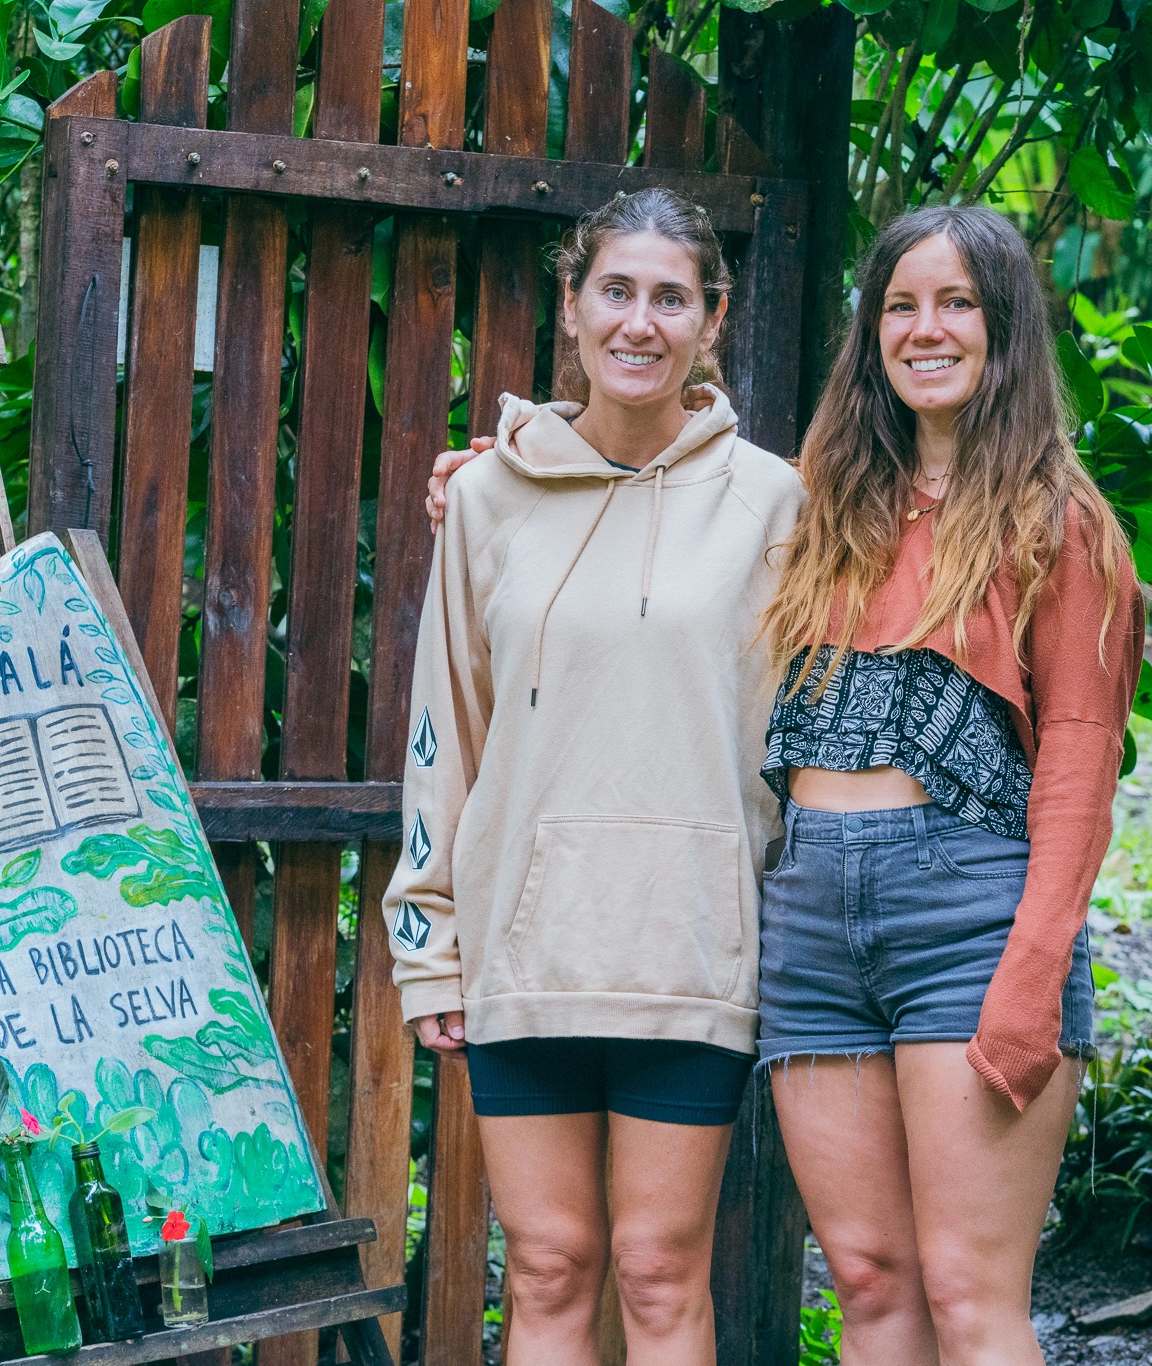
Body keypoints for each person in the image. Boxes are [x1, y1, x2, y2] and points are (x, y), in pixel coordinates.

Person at [385, 187, 804, 1366]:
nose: (640, 321)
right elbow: (444, 726)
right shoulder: (481, 496)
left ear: (709, 319)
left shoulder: (773, 500)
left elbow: (789, 738)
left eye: (671, 297)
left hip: (688, 948)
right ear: (569, 308)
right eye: (614, 291)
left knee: (663, 1274)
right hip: (527, 947)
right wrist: (429, 944)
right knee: (552, 1266)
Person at [755, 204, 1142, 1366]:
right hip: (810, 917)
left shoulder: (1060, 522)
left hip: (964, 914)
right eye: (901, 305)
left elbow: (1077, 760)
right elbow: (648, 491)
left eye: (957, 302)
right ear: (871, 330)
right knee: (871, 1287)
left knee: (970, 1295)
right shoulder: (816, 504)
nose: (926, 329)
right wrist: (496, 476)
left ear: (1004, 327)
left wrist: (1032, 971)